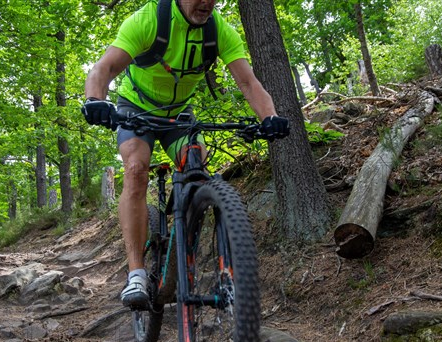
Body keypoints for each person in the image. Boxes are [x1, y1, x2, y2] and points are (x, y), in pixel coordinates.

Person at [82, 0, 290, 310]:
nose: (207, 1)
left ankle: (186, 238)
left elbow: (248, 81)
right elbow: (104, 68)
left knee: (198, 166)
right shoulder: (149, 20)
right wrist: (95, 100)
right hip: (136, 110)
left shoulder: (219, 30)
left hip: (179, 117)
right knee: (137, 169)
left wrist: (269, 117)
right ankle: (137, 273)